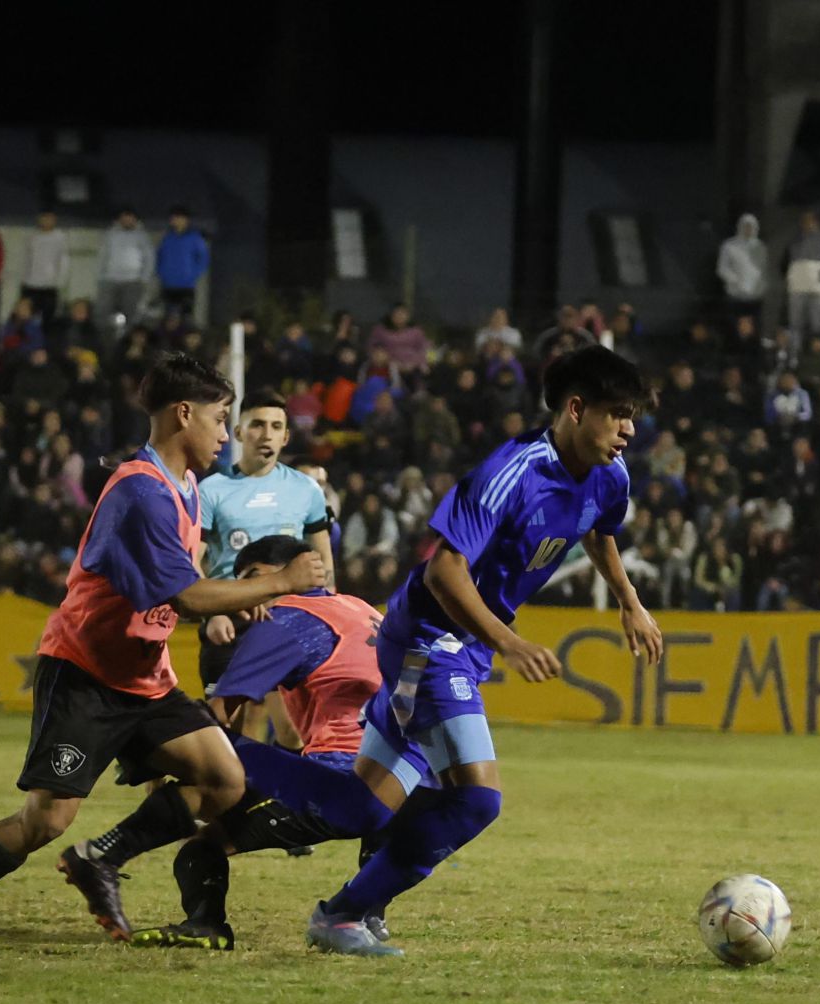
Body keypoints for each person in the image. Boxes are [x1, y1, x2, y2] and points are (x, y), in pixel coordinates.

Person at [224, 345, 665, 956]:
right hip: (429, 640)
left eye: (634, 416)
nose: (629, 430)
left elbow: (600, 528)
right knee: (478, 798)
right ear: (574, 409)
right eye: (619, 414)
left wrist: (628, 600)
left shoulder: (609, 473)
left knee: (362, 805)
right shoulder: (510, 472)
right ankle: (347, 911)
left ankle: (224, 753)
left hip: (461, 645)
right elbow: (443, 572)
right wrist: (508, 642)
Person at [0, 352, 328, 954]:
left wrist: (237, 600)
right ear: (184, 414)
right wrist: (279, 582)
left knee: (224, 779)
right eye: (222, 419)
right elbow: (184, 595)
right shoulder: (143, 492)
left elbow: (185, 588)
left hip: (145, 676)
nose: (227, 434)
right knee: (44, 822)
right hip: (86, 674)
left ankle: (100, 859)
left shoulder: (185, 487)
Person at [102, 535, 385, 949]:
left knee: (203, 840)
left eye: (251, 577)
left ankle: (203, 921)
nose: (247, 593)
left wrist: (159, 756)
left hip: (339, 781)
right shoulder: (361, 609)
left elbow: (218, 717)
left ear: (289, 571)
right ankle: (369, 913)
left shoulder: (285, 618)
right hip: (405, 781)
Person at [195, 392, 335, 743]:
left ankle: (285, 799)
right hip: (232, 620)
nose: (267, 434)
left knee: (293, 730)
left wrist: (331, 613)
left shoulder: (306, 490)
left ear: (286, 436)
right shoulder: (211, 490)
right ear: (239, 432)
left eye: (276, 426)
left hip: (290, 621)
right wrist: (212, 613)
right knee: (221, 732)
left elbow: (323, 561)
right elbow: (191, 560)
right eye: (258, 425)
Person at [97, 206, 153, 325]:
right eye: (124, 219)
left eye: (130, 219)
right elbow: (102, 256)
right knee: (103, 312)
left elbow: (149, 258)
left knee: (132, 314)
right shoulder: (110, 235)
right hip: (110, 280)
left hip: (133, 281)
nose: (127, 221)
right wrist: (101, 277)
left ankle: (128, 340)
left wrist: (144, 279)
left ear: (135, 220)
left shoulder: (142, 236)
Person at [783, 210, 820, 341]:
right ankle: (795, 355)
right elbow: (785, 263)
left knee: (817, 323)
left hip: (818, 289)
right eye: (805, 221)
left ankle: (816, 356)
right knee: (795, 323)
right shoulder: (793, 240)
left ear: (817, 223)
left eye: (811, 221)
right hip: (797, 287)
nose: (808, 224)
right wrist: (791, 278)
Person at [156, 205, 209, 317]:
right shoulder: (167, 238)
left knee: (186, 317)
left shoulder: (195, 238)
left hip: (186, 285)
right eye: (174, 218)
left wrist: (193, 274)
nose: (176, 221)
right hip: (168, 283)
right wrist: (162, 272)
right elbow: (159, 256)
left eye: (179, 218)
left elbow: (204, 258)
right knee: (169, 317)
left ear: (186, 220)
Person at [715, 213, 766, 325]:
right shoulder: (729, 245)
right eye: (746, 226)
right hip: (735, 296)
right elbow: (722, 268)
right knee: (734, 327)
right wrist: (736, 280)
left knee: (753, 328)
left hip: (754, 298)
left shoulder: (760, 247)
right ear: (740, 226)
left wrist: (760, 287)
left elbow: (763, 270)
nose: (748, 229)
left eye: (751, 226)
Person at [21, 208, 70, 323]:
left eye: (50, 218)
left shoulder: (60, 237)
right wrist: (23, 279)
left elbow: (64, 261)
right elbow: (26, 259)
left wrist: (60, 281)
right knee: (28, 319)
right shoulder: (32, 237)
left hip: (50, 286)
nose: (47, 221)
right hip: (31, 285)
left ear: (54, 220)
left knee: (48, 320)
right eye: (44, 218)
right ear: (39, 219)